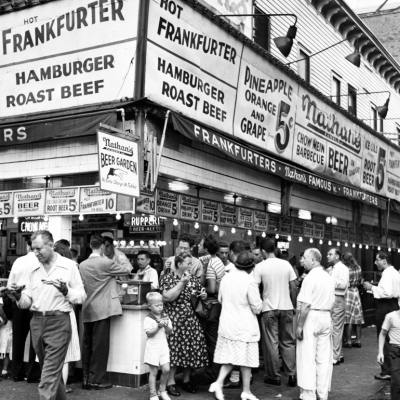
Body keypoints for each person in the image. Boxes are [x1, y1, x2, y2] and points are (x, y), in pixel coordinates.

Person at [9, 230, 86, 400]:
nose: (35, 253)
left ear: (51, 245)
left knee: (48, 374)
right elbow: (26, 302)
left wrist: (66, 291)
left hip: (59, 321)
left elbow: (81, 296)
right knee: (50, 371)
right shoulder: (32, 268)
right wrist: (17, 296)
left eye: (38, 249)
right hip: (36, 321)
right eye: (33, 249)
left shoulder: (69, 266)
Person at [79, 234, 131, 390]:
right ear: (102, 247)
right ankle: (97, 379)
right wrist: (120, 255)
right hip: (102, 309)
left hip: (87, 308)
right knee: (100, 347)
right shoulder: (107, 263)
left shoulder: (82, 264)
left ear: (90, 246)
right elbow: (127, 269)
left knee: (87, 344)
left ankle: (86, 378)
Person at [209, 251, 262, 400]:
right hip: (244, 326)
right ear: (252, 266)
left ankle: (246, 391)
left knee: (240, 358)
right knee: (238, 358)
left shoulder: (226, 278)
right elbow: (257, 307)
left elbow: (220, 299)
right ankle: (219, 383)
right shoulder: (250, 281)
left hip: (227, 324)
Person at [160, 251, 208, 396]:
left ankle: (187, 380)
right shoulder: (167, 278)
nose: (190, 265)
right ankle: (170, 382)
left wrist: (203, 295)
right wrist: (182, 283)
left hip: (190, 319)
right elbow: (167, 297)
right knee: (174, 351)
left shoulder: (193, 279)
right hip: (174, 318)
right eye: (188, 263)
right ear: (179, 264)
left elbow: (199, 294)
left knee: (190, 350)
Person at [254, 238, 297, 387]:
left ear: (264, 251)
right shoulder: (286, 264)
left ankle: (274, 376)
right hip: (286, 308)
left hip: (269, 309)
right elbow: (293, 286)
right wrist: (293, 304)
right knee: (288, 341)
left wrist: (258, 305)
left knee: (271, 343)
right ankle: (291, 375)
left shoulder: (260, 267)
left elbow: (254, 288)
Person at [296, 248, 335, 400]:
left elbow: (305, 305)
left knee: (307, 357)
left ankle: (308, 394)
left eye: (304, 258)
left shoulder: (310, 278)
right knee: (324, 359)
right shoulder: (328, 277)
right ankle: (322, 393)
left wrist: (299, 326)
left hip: (311, 317)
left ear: (313, 260)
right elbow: (333, 304)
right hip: (326, 316)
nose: (302, 260)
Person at [6, 240, 40, 383]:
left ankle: (16, 373)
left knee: (18, 340)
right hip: (35, 304)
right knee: (35, 342)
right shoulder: (40, 262)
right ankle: (32, 374)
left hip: (19, 303)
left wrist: (16, 297)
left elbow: (9, 286)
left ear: (27, 246)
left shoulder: (18, 261)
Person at [364, 251, 400, 380]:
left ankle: (386, 370)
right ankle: (394, 367)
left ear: (384, 261)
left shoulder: (386, 274)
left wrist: (371, 287)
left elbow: (386, 292)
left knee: (384, 337)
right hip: (394, 305)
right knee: (394, 338)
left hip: (385, 306)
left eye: (377, 259)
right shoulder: (396, 273)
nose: (375, 262)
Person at [54, 242, 81, 394]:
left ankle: (53, 388)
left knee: (52, 357)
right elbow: (79, 294)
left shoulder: (48, 268)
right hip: (66, 312)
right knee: (65, 356)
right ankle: (61, 389)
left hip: (49, 313)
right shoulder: (72, 267)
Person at [199, 234, 225, 382]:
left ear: (206, 248)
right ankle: (213, 372)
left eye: (201, 244)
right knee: (213, 339)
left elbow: (212, 288)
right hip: (217, 305)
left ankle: (211, 373)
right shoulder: (217, 261)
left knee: (210, 340)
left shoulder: (210, 264)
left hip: (211, 306)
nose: (199, 246)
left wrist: (199, 288)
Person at [144, 292, 173, 400]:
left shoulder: (165, 316)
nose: (160, 307)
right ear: (149, 306)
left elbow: (170, 331)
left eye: (161, 305)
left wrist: (165, 326)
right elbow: (149, 334)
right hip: (153, 346)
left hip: (163, 345)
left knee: (166, 369)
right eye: (157, 305)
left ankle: (162, 390)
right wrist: (158, 326)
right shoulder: (148, 318)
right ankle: (153, 394)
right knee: (154, 371)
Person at [326, 248, 349, 365]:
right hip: (333, 298)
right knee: (335, 328)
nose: (327, 256)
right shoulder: (333, 268)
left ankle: (335, 356)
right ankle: (339, 354)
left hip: (338, 298)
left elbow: (343, 284)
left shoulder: (342, 268)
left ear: (337, 256)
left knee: (336, 328)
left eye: (330, 254)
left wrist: (329, 277)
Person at [341, 252, 364, 348]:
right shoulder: (358, 267)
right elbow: (360, 280)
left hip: (348, 292)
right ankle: (358, 340)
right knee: (357, 316)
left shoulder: (345, 269)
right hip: (356, 292)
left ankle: (349, 341)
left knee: (348, 318)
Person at [377, 309, 400, 400]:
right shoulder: (391, 316)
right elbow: (382, 334)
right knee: (397, 382)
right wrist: (380, 352)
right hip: (396, 351)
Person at [0, 291, 12, 379]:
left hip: (3, 324)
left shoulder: (2, 300)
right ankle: (4, 371)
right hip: (9, 325)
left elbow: (0, 309)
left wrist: (4, 319)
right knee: (6, 351)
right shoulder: (10, 300)